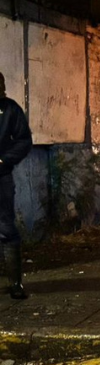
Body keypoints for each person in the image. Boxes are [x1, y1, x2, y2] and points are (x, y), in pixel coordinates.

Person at [0, 72, 32, 299]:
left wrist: (3, 160)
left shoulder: (10, 109)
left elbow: (24, 141)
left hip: (1, 177)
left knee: (5, 228)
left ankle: (15, 284)